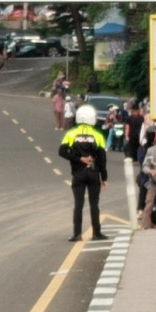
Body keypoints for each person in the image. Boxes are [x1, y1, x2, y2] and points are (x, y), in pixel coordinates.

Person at [59, 104, 109, 242]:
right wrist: (104, 177)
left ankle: (76, 234)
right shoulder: (98, 135)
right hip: (93, 173)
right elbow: (102, 159)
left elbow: (61, 152)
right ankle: (96, 233)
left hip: (78, 173)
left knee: (78, 204)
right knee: (94, 204)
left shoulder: (71, 134)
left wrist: (79, 159)